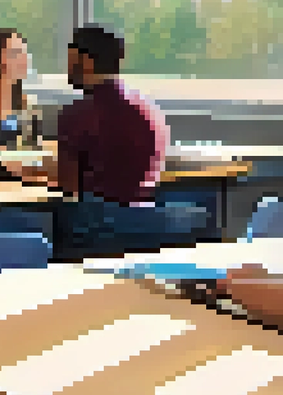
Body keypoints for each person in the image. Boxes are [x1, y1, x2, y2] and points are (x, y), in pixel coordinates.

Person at [35, 24, 203, 259]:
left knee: (15, 219)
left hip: (95, 231)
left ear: (86, 61)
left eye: (71, 59)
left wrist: (36, 174)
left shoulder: (77, 113)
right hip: (146, 228)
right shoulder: (150, 109)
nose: (67, 69)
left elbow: (69, 190)